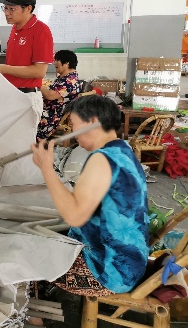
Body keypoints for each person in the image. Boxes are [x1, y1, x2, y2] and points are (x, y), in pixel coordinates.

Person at [31, 94, 149, 299]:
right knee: (43, 233)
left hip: (109, 272)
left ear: (92, 122)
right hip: (130, 262)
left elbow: (75, 216)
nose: (72, 132)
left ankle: (30, 306)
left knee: (24, 253)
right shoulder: (122, 150)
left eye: (74, 124)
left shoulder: (101, 159)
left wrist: (46, 169)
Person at [0, 0, 53, 124]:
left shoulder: (41, 31)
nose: (7, 13)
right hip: (12, 93)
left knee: (23, 137)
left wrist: (1, 68)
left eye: (12, 9)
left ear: (28, 8)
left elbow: (39, 72)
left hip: (28, 97)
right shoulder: (15, 28)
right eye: (5, 8)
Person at [37, 50, 82, 140]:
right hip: (46, 110)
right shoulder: (64, 78)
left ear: (66, 63)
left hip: (51, 116)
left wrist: (36, 82)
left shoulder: (70, 81)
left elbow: (49, 95)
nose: (54, 63)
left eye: (57, 60)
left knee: (26, 115)